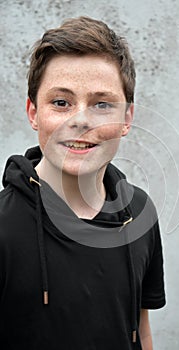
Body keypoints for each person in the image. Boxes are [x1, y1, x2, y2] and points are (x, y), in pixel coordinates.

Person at [0, 16, 165, 350]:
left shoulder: (140, 213)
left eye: (102, 104)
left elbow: (141, 330)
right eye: (61, 103)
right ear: (33, 112)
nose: (80, 122)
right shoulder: (2, 227)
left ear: (126, 119)